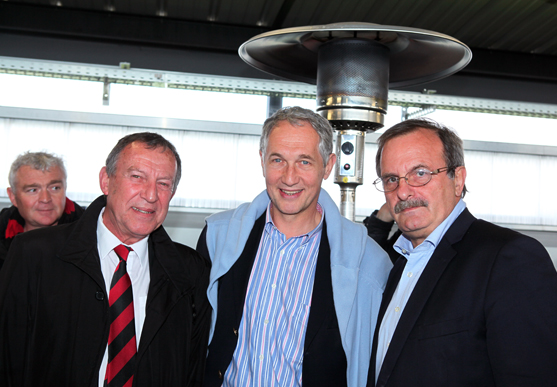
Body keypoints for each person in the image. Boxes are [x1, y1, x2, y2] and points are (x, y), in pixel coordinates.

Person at [367, 118, 557, 387]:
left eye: (420, 173)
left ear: (458, 180)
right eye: (391, 179)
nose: (404, 191)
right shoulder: (396, 263)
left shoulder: (509, 259)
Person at [197, 106, 391, 387]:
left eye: (305, 162)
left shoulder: (367, 262)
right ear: (262, 160)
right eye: (278, 160)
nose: (289, 178)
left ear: (328, 166)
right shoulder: (219, 237)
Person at [0, 132, 211, 387]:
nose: (151, 195)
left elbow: (194, 371)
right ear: (106, 181)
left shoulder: (191, 271)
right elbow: (8, 358)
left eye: (163, 183)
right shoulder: (33, 255)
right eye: (137, 177)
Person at [0, 151, 84, 267]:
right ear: (13, 196)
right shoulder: (3, 230)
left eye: (54, 188)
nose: (45, 199)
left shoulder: (90, 232)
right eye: (33, 190)